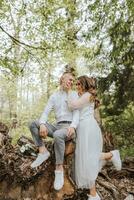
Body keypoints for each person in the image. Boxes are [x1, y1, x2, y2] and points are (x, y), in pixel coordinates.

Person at [67, 75, 122, 200]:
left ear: (85, 85)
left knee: (89, 157)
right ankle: (93, 194)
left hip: (88, 128)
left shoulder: (86, 95)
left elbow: (73, 106)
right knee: (86, 161)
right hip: (82, 129)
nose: (77, 87)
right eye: (76, 85)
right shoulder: (84, 96)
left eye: (79, 84)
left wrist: (69, 91)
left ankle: (111, 155)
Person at [29, 71, 79, 191]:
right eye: (69, 79)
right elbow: (46, 112)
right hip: (57, 126)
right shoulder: (54, 96)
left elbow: (77, 113)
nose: (71, 82)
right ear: (62, 79)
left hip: (69, 127)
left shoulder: (74, 95)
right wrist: (42, 124)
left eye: (73, 81)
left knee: (57, 134)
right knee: (33, 124)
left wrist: (73, 126)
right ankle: (43, 151)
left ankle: (59, 168)